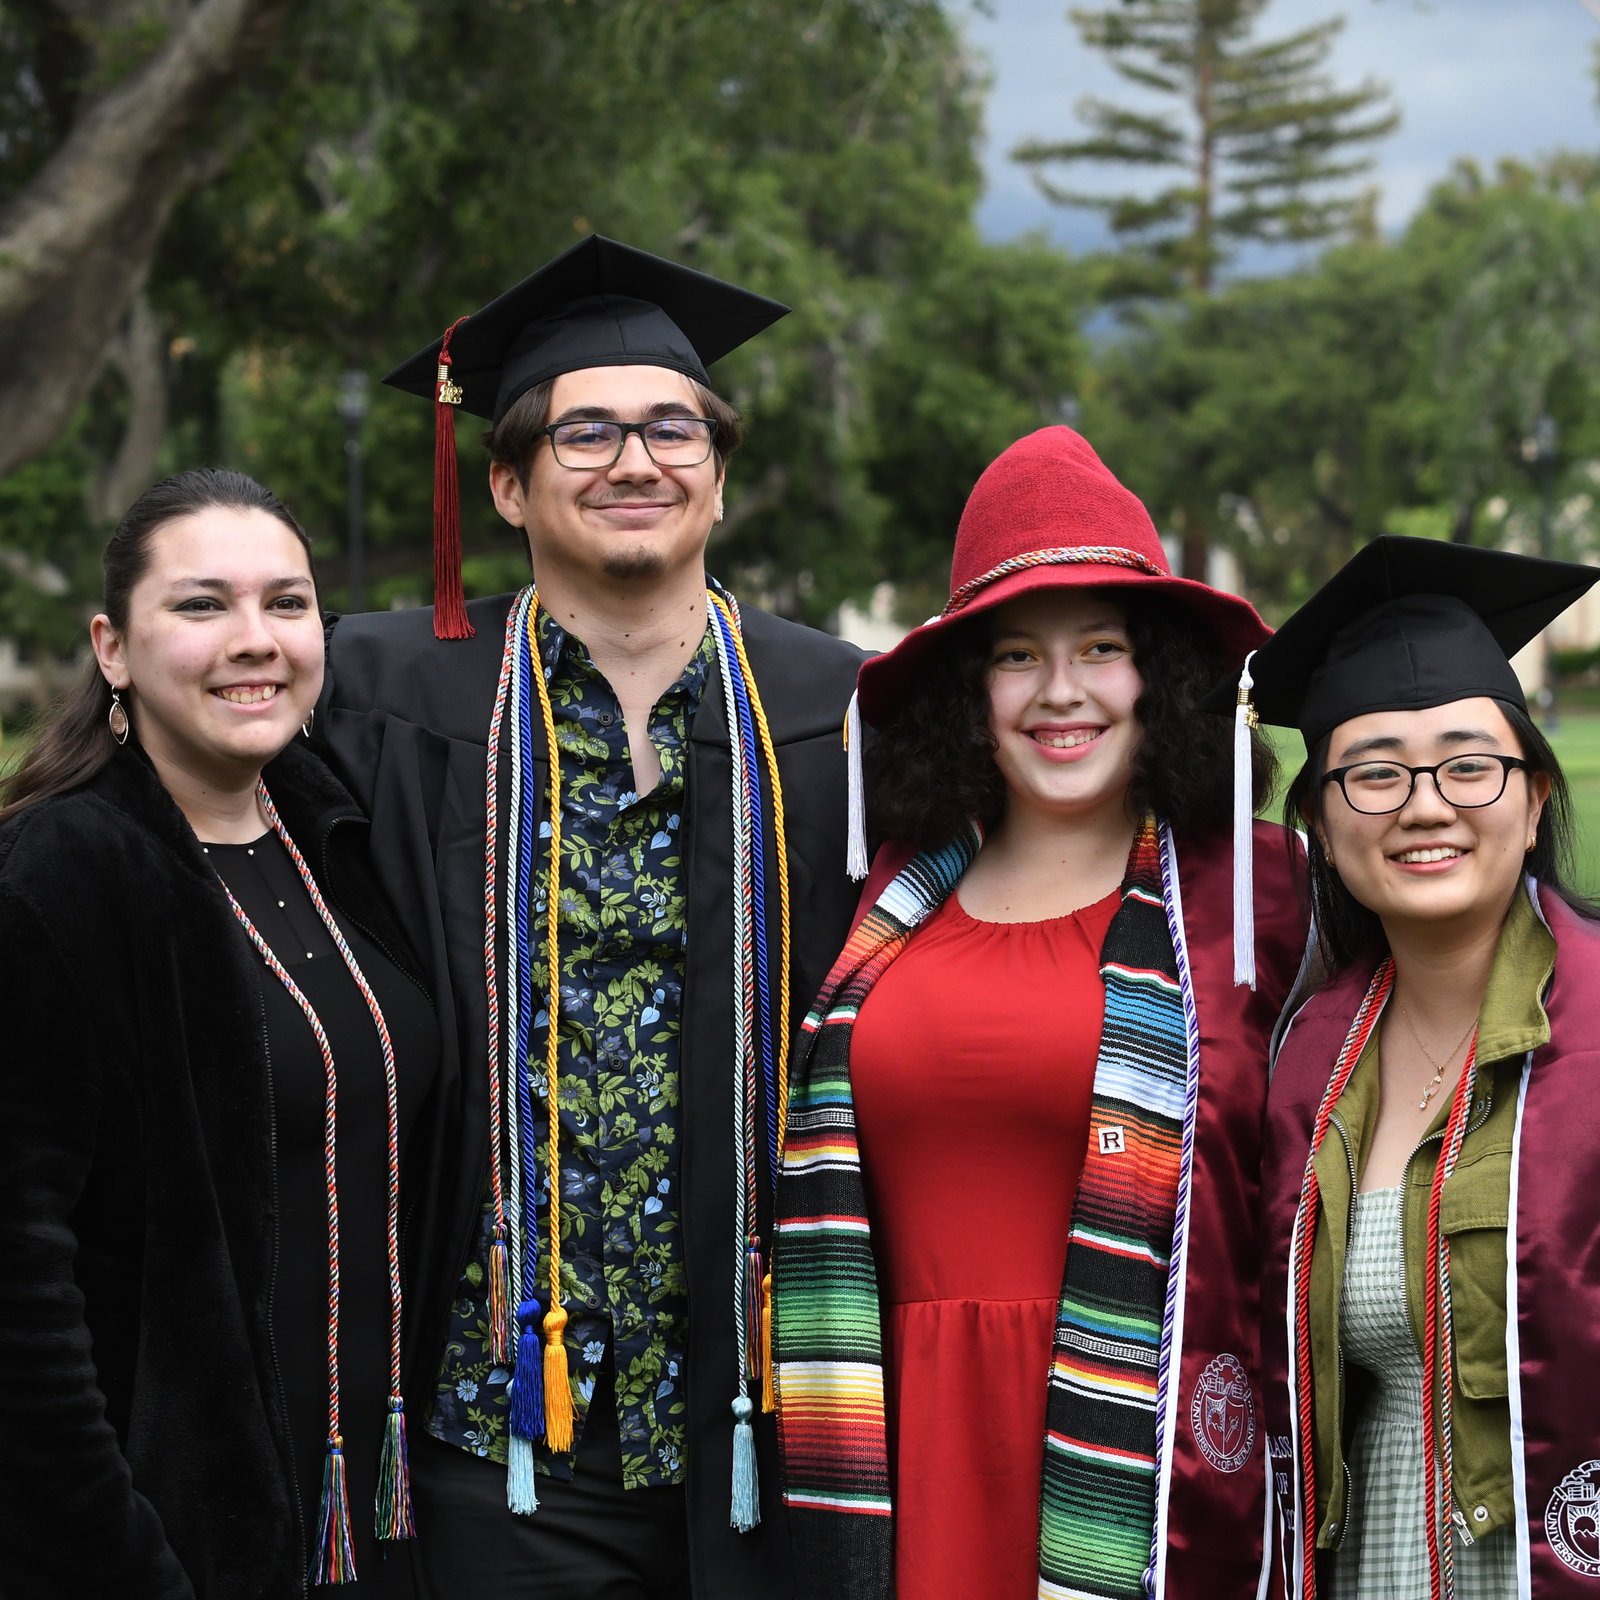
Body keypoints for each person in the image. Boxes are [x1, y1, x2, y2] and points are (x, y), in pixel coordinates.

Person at [317, 235, 864, 1598]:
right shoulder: (377, 696)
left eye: (673, 427)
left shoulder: (846, 710)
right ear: (503, 482)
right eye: (589, 433)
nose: (637, 461)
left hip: (768, 1405)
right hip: (492, 1430)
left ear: (719, 475)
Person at [771, 425, 1313, 1600]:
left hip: (1138, 1447)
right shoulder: (889, 899)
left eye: (1101, 649)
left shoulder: (1255, 897)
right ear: (973, 690)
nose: (1060, 692)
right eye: (1017, 656)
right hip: (892, 1437)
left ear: (1155, 674)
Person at [0, 468, 440, 1596]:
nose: (255, 640)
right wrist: (119, 1556)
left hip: (378, 1509)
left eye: (286, 604)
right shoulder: (64, 873)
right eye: (202, 606)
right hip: (182, 1533)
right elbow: (19, 1274)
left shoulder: (338, 837)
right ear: (112, 647)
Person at [1253, 535, 1600, 1600]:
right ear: (1317, 819)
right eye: (1373, 772)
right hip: (1374, 1567)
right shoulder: (1301, 1064)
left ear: (1534, 795)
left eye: (1467, 763)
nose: (1423, 803)